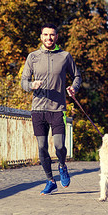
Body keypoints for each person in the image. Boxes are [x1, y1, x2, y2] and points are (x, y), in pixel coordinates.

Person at [21, 24, 82, 195]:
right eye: (46, 35)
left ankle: (62, 165)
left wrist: (74, 87)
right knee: (41, 147)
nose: (49, 38)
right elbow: (23, 81)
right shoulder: (32, 57)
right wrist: (31, 85)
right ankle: (50, 180)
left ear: (56, 37)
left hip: (57, 109)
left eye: (52, 35)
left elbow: (77, 76)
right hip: (38, 109)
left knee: (59, 145)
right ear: (41, 37)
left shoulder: (65, 56)